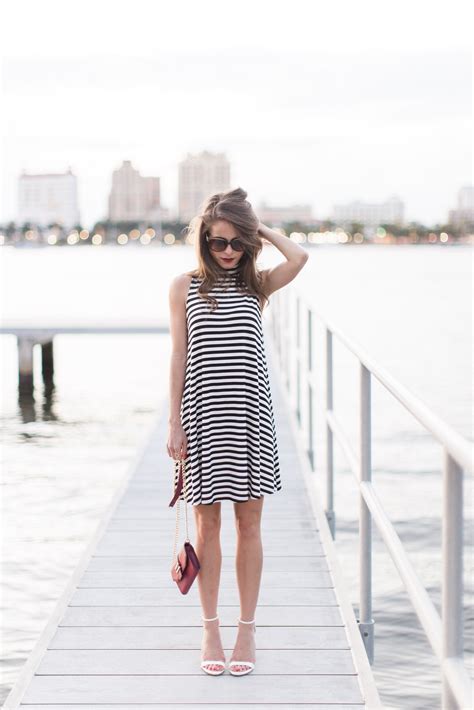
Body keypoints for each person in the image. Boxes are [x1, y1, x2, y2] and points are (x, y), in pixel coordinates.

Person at [167, 187, 308, 676]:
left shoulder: (259, 285)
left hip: (250, 421)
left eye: (235, 243)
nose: (226, 251)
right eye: (216, 242)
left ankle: (246, 630)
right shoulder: (184, 286)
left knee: (249, 527)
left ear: (248, 244)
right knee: (207, 529)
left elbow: (301, 256)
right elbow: (179, 357)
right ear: (203, 243)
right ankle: (210, 627)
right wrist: (174, 422)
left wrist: (258, 228)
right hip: (203, 421)